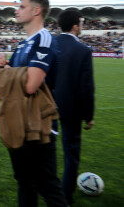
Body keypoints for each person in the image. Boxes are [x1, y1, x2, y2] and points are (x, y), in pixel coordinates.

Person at [0, 0, 67, 207]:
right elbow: (14, 78)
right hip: (18, 120)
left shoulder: (44, 39)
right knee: (24, 182)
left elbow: (30, 85)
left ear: (36, 11)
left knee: (47, 185)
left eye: (21, 6)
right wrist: (2, 67)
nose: (16, 10)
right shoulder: (22, 44)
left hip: (40, 125)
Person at [55, 10, 95, 204]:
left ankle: (45, 189)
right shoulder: (83, 50)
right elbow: (86, 87)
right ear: (75, 26)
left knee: (45, 152)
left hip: (45, 108)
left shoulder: (49, 44)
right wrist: (89, 116)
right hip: (70, 110)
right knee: (71, 154)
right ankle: (65, 197)